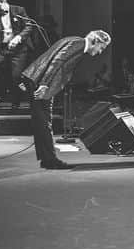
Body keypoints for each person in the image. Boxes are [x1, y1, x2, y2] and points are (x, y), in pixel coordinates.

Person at [21, 30, 111, 169]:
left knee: (42, 122)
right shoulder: (79, 44)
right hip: (41, 83)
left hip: (38, 80)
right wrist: (44, 84)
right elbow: (57, 61)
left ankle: (47, 159)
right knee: (44, 122)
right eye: (102, 47)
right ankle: (50, 160)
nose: (100, 52)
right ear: (96, 41)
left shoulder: (74, 40)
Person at [0, 0, 38, 108]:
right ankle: (0, 96)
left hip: (19, 49)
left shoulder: (19, 10)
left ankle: (16, 103)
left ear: (4, 2)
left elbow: (29, 26)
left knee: (16, 76)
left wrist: (18, 38)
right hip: (4, 48)